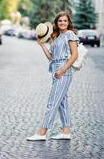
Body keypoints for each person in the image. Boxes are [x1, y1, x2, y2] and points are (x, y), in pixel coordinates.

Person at [27, 11, 78, 141]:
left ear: (68, 22)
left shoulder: (70, 34)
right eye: (60, 21)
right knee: (62, 102)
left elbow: (74, 55)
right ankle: (66, 131)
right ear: (56, 23)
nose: (62, 23)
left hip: (64, 71)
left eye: (65, 21)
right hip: (55, 69)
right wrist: (42, 45)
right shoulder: (55, 38)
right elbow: (51, 57)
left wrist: (62, 70)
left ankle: (42, 132)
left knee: (53, 101)